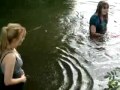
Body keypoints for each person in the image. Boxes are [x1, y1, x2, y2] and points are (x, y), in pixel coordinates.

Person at [0, 23, 27, 90]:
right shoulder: (10, 57)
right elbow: (7, 82)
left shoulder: (8, 46)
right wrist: (22, 79)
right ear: (14, 40)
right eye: (21, 37)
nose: (23, 39)